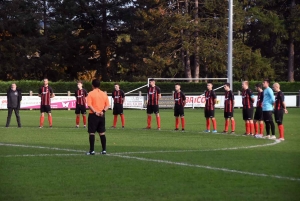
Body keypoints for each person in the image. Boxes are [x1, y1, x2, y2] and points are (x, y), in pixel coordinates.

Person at [86, 79, 110, 155]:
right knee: (102, 133)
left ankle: (92, 150)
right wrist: (102, 111)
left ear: (92, 85)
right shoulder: (104, 94)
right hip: (102, 115)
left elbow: (89, 105)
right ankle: (104, 150)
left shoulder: (90, 93)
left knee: (92, 133)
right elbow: (107, 105)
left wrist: (95, 112)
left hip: (93, 115)